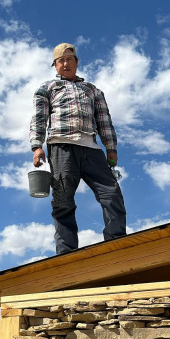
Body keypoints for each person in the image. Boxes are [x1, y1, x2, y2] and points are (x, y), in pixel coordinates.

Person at [30, 42, 127, 254]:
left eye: (69, 59)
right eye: (60, 61)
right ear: (55, 65)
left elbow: (104, 121)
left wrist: (111, 148)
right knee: (63, 200)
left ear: (76, 62)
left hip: (91, 149)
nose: (65, 64)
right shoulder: (47, 88)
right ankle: (66, 253)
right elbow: (39, 119)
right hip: (61, 147)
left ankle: (116, 243)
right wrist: (37, 146)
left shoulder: (93, 90)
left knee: (111, 194)